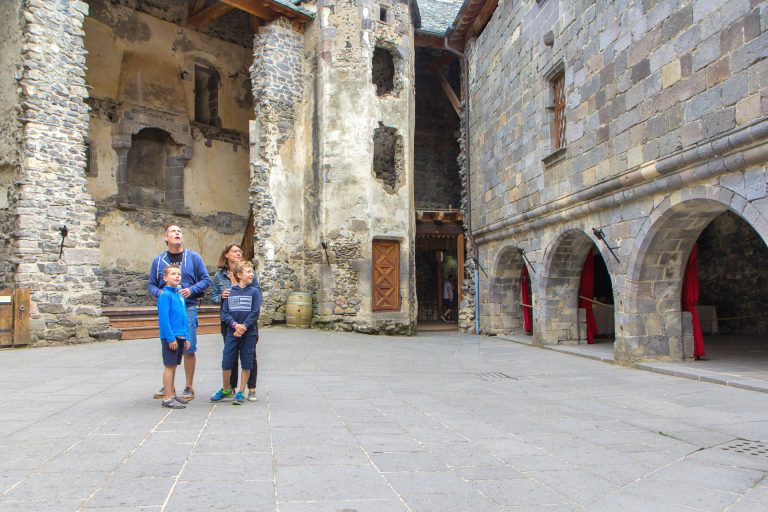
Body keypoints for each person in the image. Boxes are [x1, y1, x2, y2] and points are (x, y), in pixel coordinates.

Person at [148, 224, 211, 401]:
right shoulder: (159, 261)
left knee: (188, 347)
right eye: (173, 231)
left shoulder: (192, 257)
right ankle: (169, 386)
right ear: (166, 237)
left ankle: (189, 386)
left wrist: (192, 290)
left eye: (180, 232)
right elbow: (151, 285)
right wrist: (161, 293)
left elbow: (206, 279)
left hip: (188, 306)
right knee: (171, 345)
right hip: (169, 308)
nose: (177, 233)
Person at [210, 243, 261, 401]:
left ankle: (249, 388)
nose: (238, 253)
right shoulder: (220, 276)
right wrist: (222, 296)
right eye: (234, 251)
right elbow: (214, 298)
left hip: (247, 325)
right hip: (230, 323)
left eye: (240, 251)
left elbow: (256, 298)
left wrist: (244, 326)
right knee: (229, 356)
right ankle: (229, 388)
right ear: (226, 254)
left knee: (249, 356)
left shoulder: (250, 278)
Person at [156, 265, 190, 409]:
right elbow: (164, 319)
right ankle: (167, 397)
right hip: (171, 336)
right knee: (169, 366)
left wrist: (187, 336)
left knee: (174, 366)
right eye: (173, 274)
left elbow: (184, 317)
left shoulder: (179, 295)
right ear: (165, 278)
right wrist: (170, 338)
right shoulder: (165, 295)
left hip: (181, 335)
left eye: (179, 274)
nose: (177, 276)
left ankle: (171, 392)